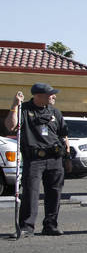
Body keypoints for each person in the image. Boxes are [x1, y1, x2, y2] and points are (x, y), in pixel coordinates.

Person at [5, 83, 70, 236]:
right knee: (30, 193)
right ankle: (27, 227)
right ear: (38, 96)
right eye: (50, 94)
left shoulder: (55, 112)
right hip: (34, 159)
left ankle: (50, 225)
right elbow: (10, 125)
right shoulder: (25, 109)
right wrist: (15, 104)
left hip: (55, 157)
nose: (54, 96)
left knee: (54, 192)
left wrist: (67, 156)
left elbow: (64, 135)